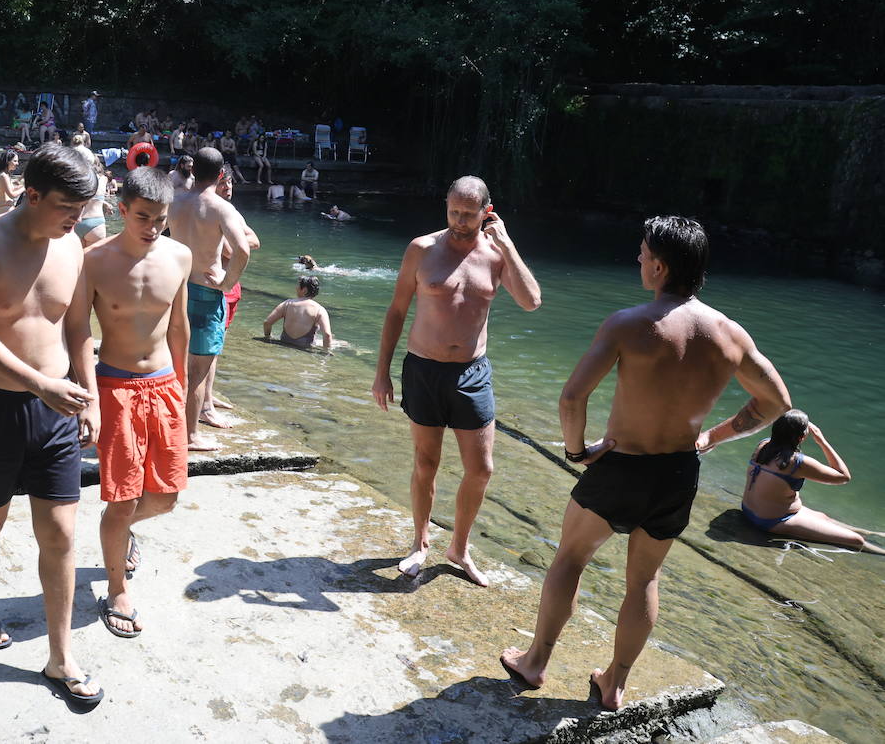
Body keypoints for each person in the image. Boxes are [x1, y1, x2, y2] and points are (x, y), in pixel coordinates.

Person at [500, 216, 793, 710]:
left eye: (641, 253)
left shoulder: (629, 324)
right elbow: (776, 402)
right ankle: (614, 683)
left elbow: (573, 398)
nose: (637, 259)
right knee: (644, 581)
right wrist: (714, 437)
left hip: (621, 466)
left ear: (659, 265)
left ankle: (535, 663)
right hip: (678, 472)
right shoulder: (730, 334)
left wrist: (577, 452)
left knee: (570, 558)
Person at [0, 142, 103, 708]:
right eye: (66, 207)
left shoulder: (73, 248)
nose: (75, 219)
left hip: (57, 410)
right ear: (30, 194)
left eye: (81, 209)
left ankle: (60, 655)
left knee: (62, 533)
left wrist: (88, 398)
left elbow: (78, 326)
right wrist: (40, 384)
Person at [373, 176, 542, 587]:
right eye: (453, 211)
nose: (459, 221)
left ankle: (459, 548)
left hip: (471, 372)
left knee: (481, 468)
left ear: (487, 211)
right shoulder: (422, 249)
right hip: (423, 368)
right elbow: (397, 311)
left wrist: (507, 244)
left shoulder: (495, 256)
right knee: (426, 463)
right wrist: (382, 373)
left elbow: (531, 301)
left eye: (469, 214)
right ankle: (420, 541)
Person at [81, 167, 192, 639]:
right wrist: (86, 395)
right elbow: (77, 331)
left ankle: (121, 531)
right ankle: (116, 587)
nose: (152, 227)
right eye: (143, 216)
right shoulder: (95, 260)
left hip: (164, 383)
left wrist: (185, 392)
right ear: (121, 209)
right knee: (122, 496)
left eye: (160, 219)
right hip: (114, 386)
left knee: (166, 496)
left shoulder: (179, 255)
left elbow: (179, 326)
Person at [167, 147, 251, 452]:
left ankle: (165, 425)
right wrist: (227, 282)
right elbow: (243, 249)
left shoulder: (173, 199)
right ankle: (190, 436)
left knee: (171, 363)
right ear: (219, 175)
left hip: (174, 288)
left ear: (192, 171)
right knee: (198, 370)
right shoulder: (220, 207)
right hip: (205, 291)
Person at [711, 410, 883, 554]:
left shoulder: (763, 446)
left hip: (750, 509)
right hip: (772, 520)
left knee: (823, 517)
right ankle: (878, 550)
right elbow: (843, 476)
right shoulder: (797, 463)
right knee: (855, 541)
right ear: (801, 437)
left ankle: (871, 532)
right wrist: (821, 440)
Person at [201, 165, 260, 428]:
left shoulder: (231, 213)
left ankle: (209, 396)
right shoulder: (213, 212)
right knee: (208, 350)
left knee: (217, 346)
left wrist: (239, 240)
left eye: (231, 184)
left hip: (231, 287)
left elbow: (255, 240)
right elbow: (228, 251)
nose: (228, 189)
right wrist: (239, 240)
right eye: (223, 184)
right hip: (219, 285)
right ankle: (205, 405)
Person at [264, 276, 333, 351]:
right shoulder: (320, 310)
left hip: (284, 343)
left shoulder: (287, 304)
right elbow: (327, 335)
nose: (296, 288)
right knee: (340, 343)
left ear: (304, 290)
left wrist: (268, 337)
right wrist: (326, 353)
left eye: (298, 286)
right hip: (304, 349)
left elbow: (267, 322)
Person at [74, 144, 110, 245]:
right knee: (95, 260)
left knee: (76, 259)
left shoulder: (78, 179)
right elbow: (96, 196)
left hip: (77, 220)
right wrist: (104, 203)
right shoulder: (104, 179)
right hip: (96, 221)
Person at [0, 151, 24, 216]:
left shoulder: (5, 174)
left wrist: (19, 187)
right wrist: (24, 187)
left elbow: (10, 190)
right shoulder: (3, 175)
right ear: (8, 161)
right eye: (15, 161)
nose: (17, 163)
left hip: (3, 208)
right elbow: (12, 195)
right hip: (5, 209)